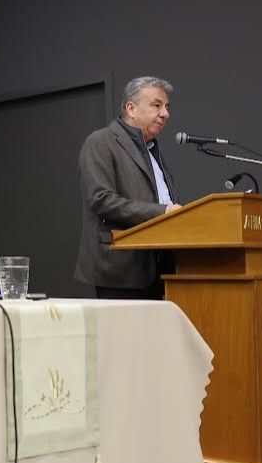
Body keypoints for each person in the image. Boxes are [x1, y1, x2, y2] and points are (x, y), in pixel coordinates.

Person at [75, 76, 182, 299]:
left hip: (161, 269)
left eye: (166, 107)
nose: (165, 114)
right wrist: (163, 212)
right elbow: (101, 199)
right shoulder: (101, 141)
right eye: (157, 105)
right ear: (131, 109)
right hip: (120, 269)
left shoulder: (152, 150)